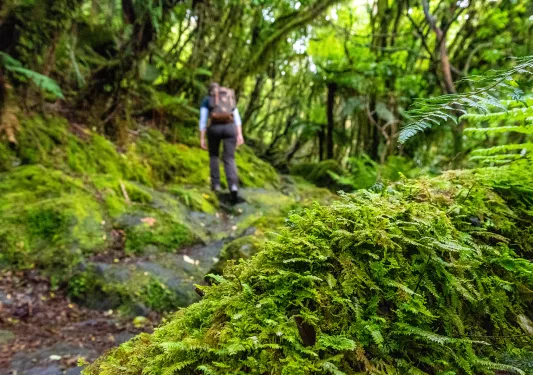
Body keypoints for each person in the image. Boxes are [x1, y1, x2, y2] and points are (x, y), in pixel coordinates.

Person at [199, 82, 245, 203]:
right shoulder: (228, 98)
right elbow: (237, 118)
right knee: (229, 158)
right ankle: (233, 186)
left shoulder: (207, 100)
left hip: (214, 129)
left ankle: (216, 185)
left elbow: (203, 121)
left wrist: (202, 139)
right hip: (230, 129)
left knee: (214, 156)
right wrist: (239, 134)